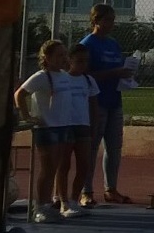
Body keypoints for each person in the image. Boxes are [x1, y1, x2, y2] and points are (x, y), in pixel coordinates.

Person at [79, 3, 134, 206]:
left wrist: (126, 74)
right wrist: (113, 73)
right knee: (91, 147)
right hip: (96, 103)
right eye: (107, 20)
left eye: (113, 20)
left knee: (114, 147)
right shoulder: (87, 44)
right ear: (96, 21)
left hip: (114, 100)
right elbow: (83, 74)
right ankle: (86, 191)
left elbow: (118, 68)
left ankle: (111, 189)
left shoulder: (113, 44)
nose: (111, 24)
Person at [14, 39, 74, 223]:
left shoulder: (64, 75)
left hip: (63, 126)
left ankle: (49, 204)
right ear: (47, 57)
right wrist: (28, 116)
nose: (64, 58)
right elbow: (20, 94)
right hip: (47, 128)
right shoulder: (41, 77)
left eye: (65, 54)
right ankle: (40, 207)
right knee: (47, 169)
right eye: (59, 55)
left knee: (56, 167)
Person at [55, 43, 100, 218]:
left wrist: (93, 127)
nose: (83, 65)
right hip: (65, 125)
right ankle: (62, 201)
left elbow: (94, 106)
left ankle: (74, 200)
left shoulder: (88, 80)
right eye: (79, 61)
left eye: (86, 61)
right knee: (63, 165)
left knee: (84, 165)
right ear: (70, 60)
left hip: (83, 126)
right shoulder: (62, 78)